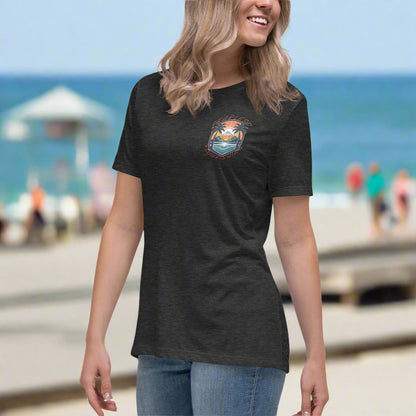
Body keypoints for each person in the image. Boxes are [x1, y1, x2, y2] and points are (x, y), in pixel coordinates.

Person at [80, 1, 329, 416]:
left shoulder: (282, 105)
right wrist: (95, 337)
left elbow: (295, 237)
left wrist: (316, 355)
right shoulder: (149, 96)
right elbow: (124, 223)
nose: (269, 3)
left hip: (241, 336)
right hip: (160, 337)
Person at [365, 162, 388, 238]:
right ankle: (376, 229)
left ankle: (378, 229)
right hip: (372, 198)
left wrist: (383, 197)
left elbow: (383, 188)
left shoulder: (378, 177)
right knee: (374, 214)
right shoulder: (370, 178)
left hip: (378, 197)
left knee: (378, 214)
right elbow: (368, 188)